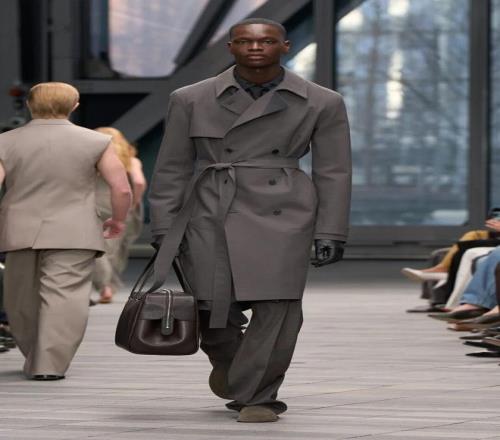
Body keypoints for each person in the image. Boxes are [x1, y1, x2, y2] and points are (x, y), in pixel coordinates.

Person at [149, 18, 351, 422]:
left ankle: (258, 395)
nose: (255, 47)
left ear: (286, 46)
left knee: (279, 307)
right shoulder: (190, 98)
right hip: (209, 209)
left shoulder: (321, 101)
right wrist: (163, 225)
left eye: (266, 41)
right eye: (244, 41)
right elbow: (172, 167)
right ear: (230, 47)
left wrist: (331, 230)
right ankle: (232, 363)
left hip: (285, 213)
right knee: (209, 304)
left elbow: (334, 171)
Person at [0, 82, 131, 380]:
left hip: (18, 229)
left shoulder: (5, 141)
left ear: (30, 105)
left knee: (20, 297)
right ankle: (49, 363)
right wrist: (119, 220)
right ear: (74, 106)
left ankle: (35, 355)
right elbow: (121, 188)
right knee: (65, 296)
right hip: (75, 229)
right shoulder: (96, 141)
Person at [92, 128, 146, 304]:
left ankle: (105, 285)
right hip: (122, 204)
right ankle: (108, 284)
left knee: (97, 246)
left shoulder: (93, 158)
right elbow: (139, 182)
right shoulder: (131, 160)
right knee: (116, 247)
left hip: (96, 203)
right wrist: (135, 201)